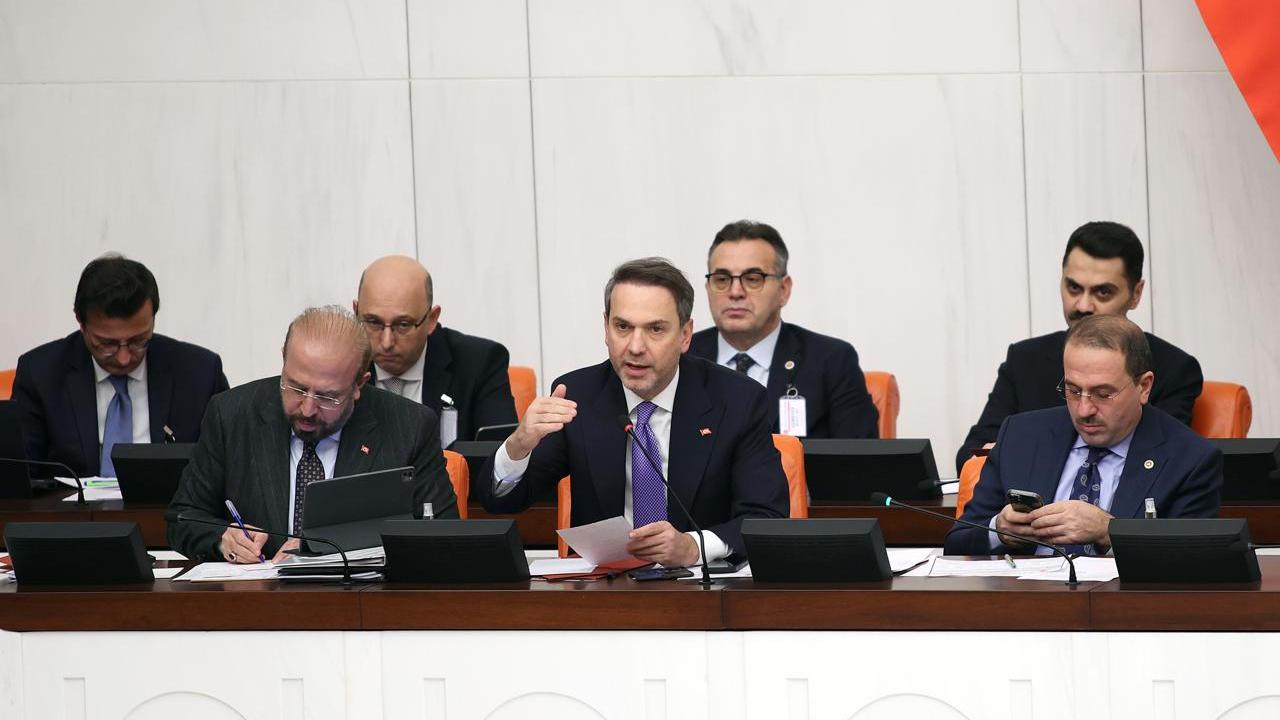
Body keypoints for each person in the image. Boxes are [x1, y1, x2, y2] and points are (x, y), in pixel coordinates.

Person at [480, 257, 789, 566]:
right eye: (623, 327)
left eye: (655, 329)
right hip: (607, 585)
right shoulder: (579, 396)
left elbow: (766, 516)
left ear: (685, 335)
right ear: (606, 327)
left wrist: (694, 546)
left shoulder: (737, 400)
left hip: (700, 585)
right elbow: (503, 502)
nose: (635, 347)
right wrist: (518, 446)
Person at [167, 305, 456, 562]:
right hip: (259, 597)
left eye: (328, 397)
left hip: (359, 598)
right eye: (296, 388)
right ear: (284, 359)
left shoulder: (409, 426)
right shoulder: (232, 415)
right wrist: (223, 539)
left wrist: (328, 548)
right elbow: (183, 518)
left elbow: (441, 536)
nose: (307, 409)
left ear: (359, 384)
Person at [945, 315, 1222, 557]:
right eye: (1073, 391)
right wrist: (998, 530)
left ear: (1144, 387)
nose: (1084, 410)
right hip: (1027, 596)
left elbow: (1193, 558)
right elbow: (957, 544)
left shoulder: (1190, 460)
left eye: (1103, 394)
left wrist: (1109, 532)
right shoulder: (1020, 436)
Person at [956, 221, 1203, 473]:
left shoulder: (1174, 369)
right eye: (1074, 288)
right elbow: (970, 456)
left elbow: (1163, 462)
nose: (1083, 306)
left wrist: (1018, 452)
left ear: (1136, 294)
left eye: (1103, 292)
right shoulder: (1025, 360)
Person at [13, 254, 229, 478]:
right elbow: (20, 476)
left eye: (138, 341)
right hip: (74, 502)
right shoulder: (40, 374)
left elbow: (230, 467)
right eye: (107, 344)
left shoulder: (200, 373)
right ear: (81, 322)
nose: (124, 358)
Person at [686, 220, 878, 438]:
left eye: (753, 279)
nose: (735, 292)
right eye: (722, 279)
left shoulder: (832, 361)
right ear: (708, 288)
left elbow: (859, 456)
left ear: (784, 290)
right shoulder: (681, 357)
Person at [354, 255, 517, 447]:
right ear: (356, 312)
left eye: (403, 325)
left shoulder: (480, 363)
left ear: (431, 319)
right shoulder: (339, 366)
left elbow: (499, 453)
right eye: (373, 322)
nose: (387, 342)